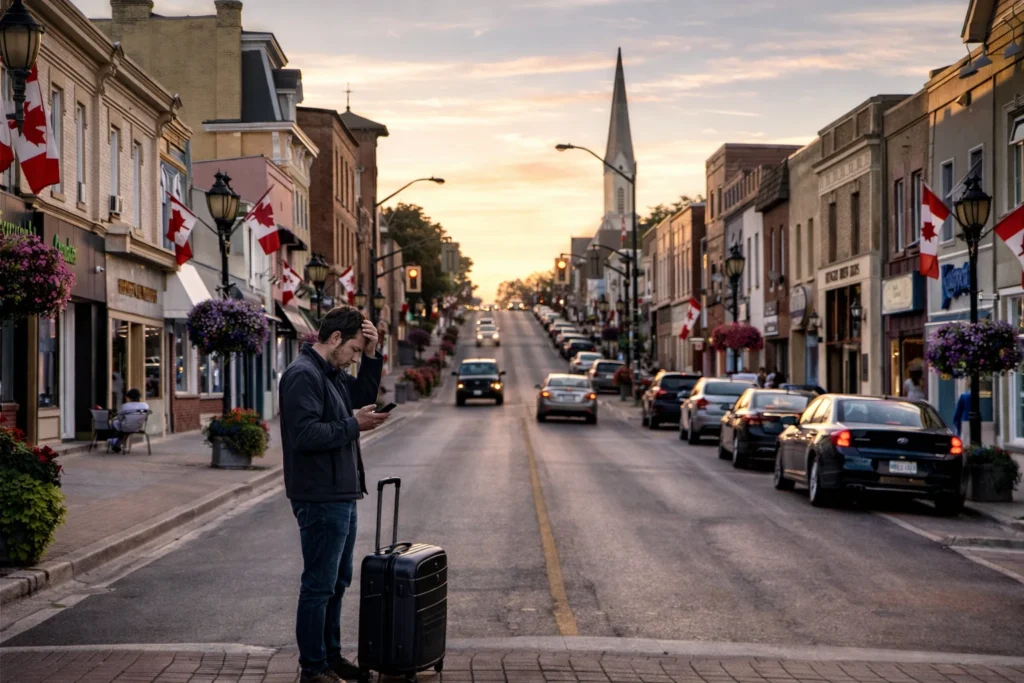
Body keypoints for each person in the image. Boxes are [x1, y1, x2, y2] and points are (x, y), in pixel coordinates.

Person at [279, 306, 389, 683]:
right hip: (320, 495)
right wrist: (352, 424)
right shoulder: (303, 375)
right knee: (318, 585)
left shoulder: (330, 372)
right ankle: (313, 668)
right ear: (336, 339)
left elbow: (358, 395)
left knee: (337, 582)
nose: (355, 359)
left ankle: (331, 657)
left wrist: (373, 355)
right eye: (355, 351)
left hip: (341, 492)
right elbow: (304, 435)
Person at [108, 388, 149, 453]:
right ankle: (118, 445)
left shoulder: (126, 406)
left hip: (125, 427)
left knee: (115, 424)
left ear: (130, 398)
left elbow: (119, 417)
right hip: (138, 427)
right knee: (124, 428)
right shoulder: (145, 405)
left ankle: (115, 443)